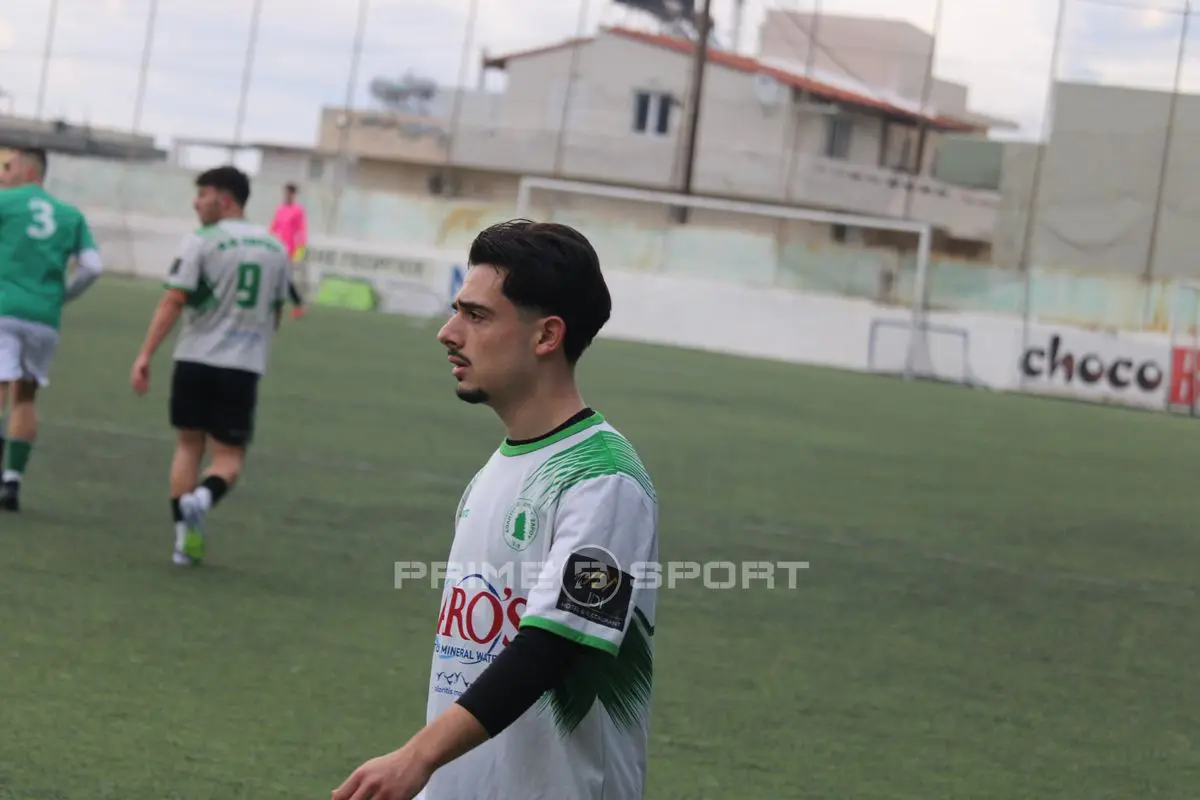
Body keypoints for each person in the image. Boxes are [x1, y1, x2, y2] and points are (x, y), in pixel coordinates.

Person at [333, 220, 659, 800]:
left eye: (477, 315)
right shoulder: (499, 470)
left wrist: (417, 756)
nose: (448, 332)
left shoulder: (604, 479)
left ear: (546, 336)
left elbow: (554, 646)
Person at [130, 165, 292, 567]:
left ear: (225, 199)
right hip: (241, 366)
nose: (196, 203)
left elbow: (174, 299)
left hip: (193, 359)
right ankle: (203, 498)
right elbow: (275, 313)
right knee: (229, 459)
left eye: (202, 195)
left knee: (188, 446)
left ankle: (183, 543)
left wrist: (146, 353)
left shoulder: (201, 240)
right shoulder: (275, 248)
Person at [0, 147, 104, 511]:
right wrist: (62, 296)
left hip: (3, 309)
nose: (3, 173)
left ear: (30, 172)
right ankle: (12, 480)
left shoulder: (4, 202)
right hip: (44, 317)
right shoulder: (70, 215)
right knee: (25, 397)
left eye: (8, 167)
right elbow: (93, 267)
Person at [268, 182, 308, 319]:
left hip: (289, 249)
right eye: (286, 193)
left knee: (285, 278)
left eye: (290, 193)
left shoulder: (298, 210)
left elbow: (301, 230)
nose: (287, 195)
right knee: (275, 276)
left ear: (294, 195)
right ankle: (295, 304)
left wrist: (300, 250)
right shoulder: (280, 208)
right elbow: (273, 226)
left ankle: (298, 304)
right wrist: (268, 240)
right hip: (277, 247)